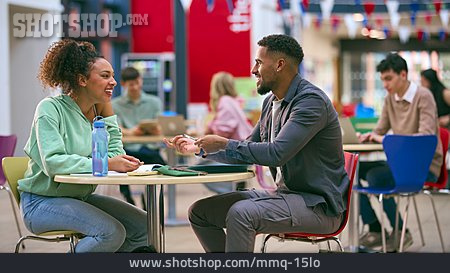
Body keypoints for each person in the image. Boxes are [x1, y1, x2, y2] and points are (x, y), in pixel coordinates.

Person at [164, 34, 348, 253]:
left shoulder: (310, 102)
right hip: (286, 196)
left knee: (242, 213)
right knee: (200, 212)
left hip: (318, 206)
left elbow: (276, 153)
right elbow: (245, 150)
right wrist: (199, 147)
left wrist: (224, 143)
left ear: (280, 65)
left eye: (259, 62)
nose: (253, 70)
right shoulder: (271, 102)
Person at [18, 39, 151, 252]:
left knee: (146, 226)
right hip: (41, 203)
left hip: (80, 197)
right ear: (82, 80)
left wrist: (108, 114)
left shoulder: (97, 114)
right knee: (111, 232)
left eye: (113, 76)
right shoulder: (50, 109)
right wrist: (107, 163)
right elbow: (54, 163)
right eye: (105, 76)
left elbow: (117, 154)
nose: (114, 82)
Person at [357, 53, 443, 252]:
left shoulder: (423, 96)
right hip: (400, 163)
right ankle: (375, 228)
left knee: (375, 176)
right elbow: (380, 130)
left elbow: (425, 138)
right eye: (383, 80)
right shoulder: (390, 98)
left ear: (403, 74)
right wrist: (370, 135)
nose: (385, 84)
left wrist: (384, 139)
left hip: (424, 165)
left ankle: (400, 232)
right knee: (350, 171)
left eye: (389, 78)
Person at [112, 67, 166, 206]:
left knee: (162, 167)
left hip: (150, 149)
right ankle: (128, 201)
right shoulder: (115, 104)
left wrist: (156, 130)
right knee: (121, 163)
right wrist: (132, 132)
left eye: (137, 82)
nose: (135, 87)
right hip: (129, 149)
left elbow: (160, 124)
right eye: (131, 84)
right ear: (123, 84)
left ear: (141, 81)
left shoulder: (154, 102)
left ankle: (151, 202)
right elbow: (116, 128)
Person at [201, 71, 253, 194]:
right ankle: (235, 191)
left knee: (201, 165)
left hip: (237, 153)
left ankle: (230, 194)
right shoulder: (233, 101)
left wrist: (209, 129)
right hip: (245, 149)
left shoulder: (224, 101)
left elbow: (222, 132)